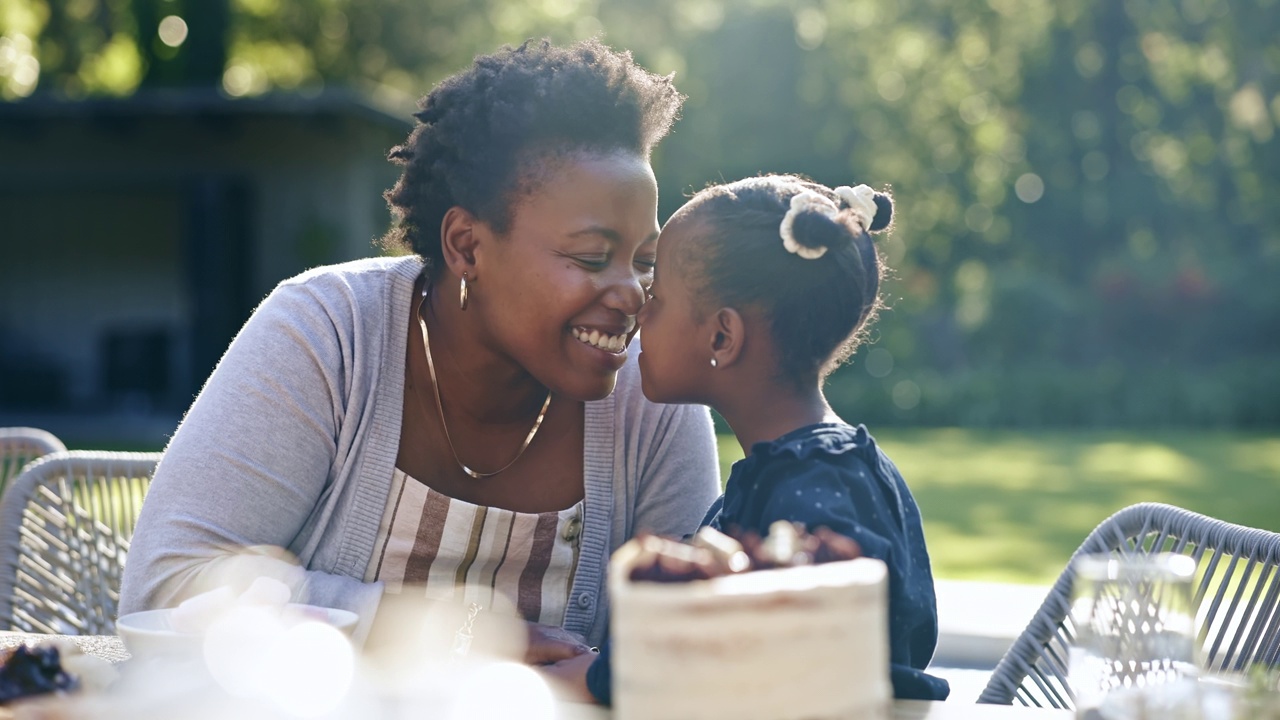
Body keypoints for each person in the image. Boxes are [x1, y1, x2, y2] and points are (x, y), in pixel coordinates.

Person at [118, 39, 721, 665]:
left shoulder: (650, 393)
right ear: (465, 246)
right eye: (591, 257)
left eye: (645, 261)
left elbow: (695, 637)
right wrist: (464, 638)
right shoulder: (330, 335)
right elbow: (168, 588)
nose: (632, 293)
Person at [545, 175, 950, 701]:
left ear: (721, 336)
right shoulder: (802, 468)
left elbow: (768, 656)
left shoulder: (819, 489)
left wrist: (584, 680)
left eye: (658, 298)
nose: (638, 313)